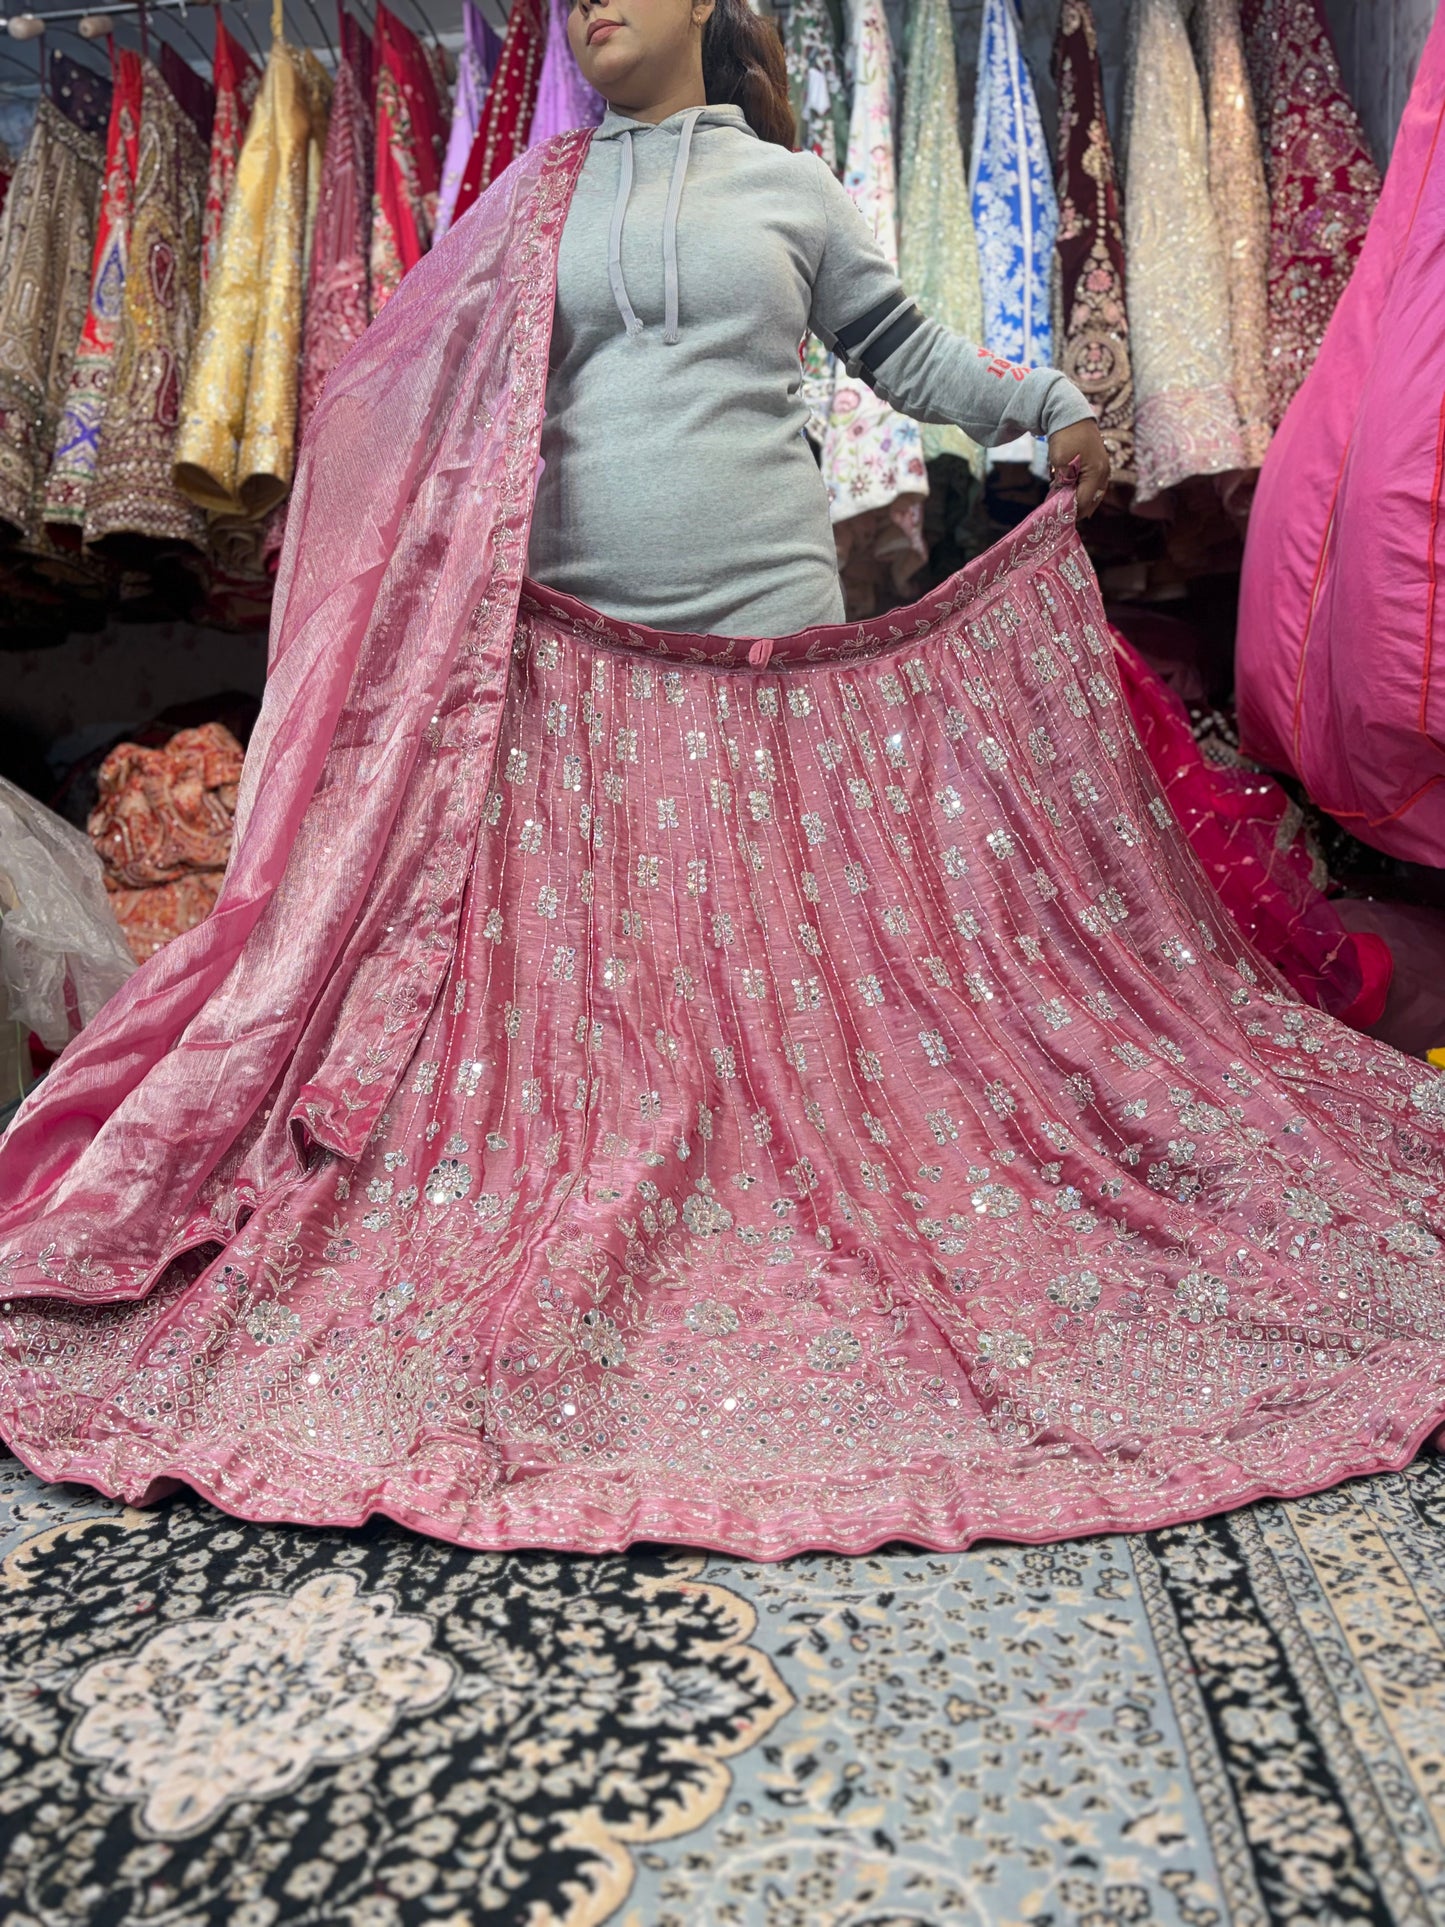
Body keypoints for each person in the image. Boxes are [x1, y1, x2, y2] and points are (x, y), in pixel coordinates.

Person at [0, 0, 1440, 1561]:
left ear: (703, 7)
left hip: (772, 659)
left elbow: (907, 354)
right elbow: (407, 398)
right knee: (594, 1005)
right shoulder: (521, 204)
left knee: (797, 991)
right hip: (566, 669)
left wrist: (1050, 412)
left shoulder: (787, 191)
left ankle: (829, 1211)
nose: (591, 7)